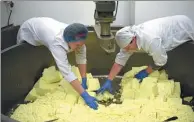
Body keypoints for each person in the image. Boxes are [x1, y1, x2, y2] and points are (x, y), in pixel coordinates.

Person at [97, 15, 194, 94]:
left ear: (133, 39)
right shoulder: (127, 41)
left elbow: (161, 61)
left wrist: (146, 72)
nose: (127, 50)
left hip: (182, 27)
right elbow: (119, 62)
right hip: (168, 32)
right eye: (125, 49)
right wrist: (109, 80)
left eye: (128, 47)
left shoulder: (150, 39)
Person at [17, 17, 98, 110]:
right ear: (68, 41)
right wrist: (85, 95)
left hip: (45, 28)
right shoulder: (56, 41)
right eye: (77, 45)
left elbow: (81, 57)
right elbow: (66, 72)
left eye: (82, 44)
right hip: (29, 31)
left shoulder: (77, 36)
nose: (80, 46)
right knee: (25, 55)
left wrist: (84, 78)